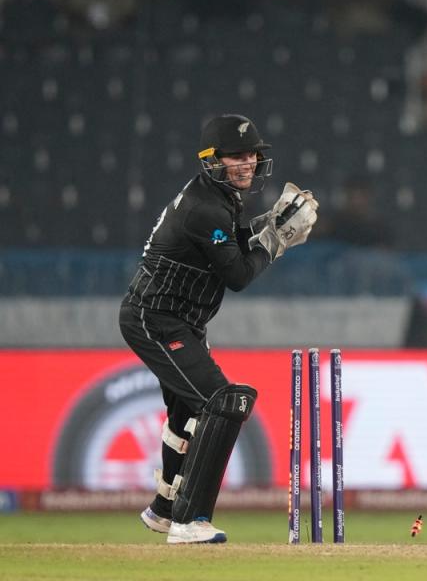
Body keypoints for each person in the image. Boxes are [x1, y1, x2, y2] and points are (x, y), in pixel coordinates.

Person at [118, 114, 318, 544]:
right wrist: (277, 240)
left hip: (181, 319)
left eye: (251, 155)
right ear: (212, 161)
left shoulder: (218, 199)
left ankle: (164, 510)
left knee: (188, 409)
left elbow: (229, 241)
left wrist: (267, 222)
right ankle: (190, 521)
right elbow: (238, 274)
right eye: (235, 156)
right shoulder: (204, 206)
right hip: (156, 318)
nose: (246, 163)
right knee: (226, 402)